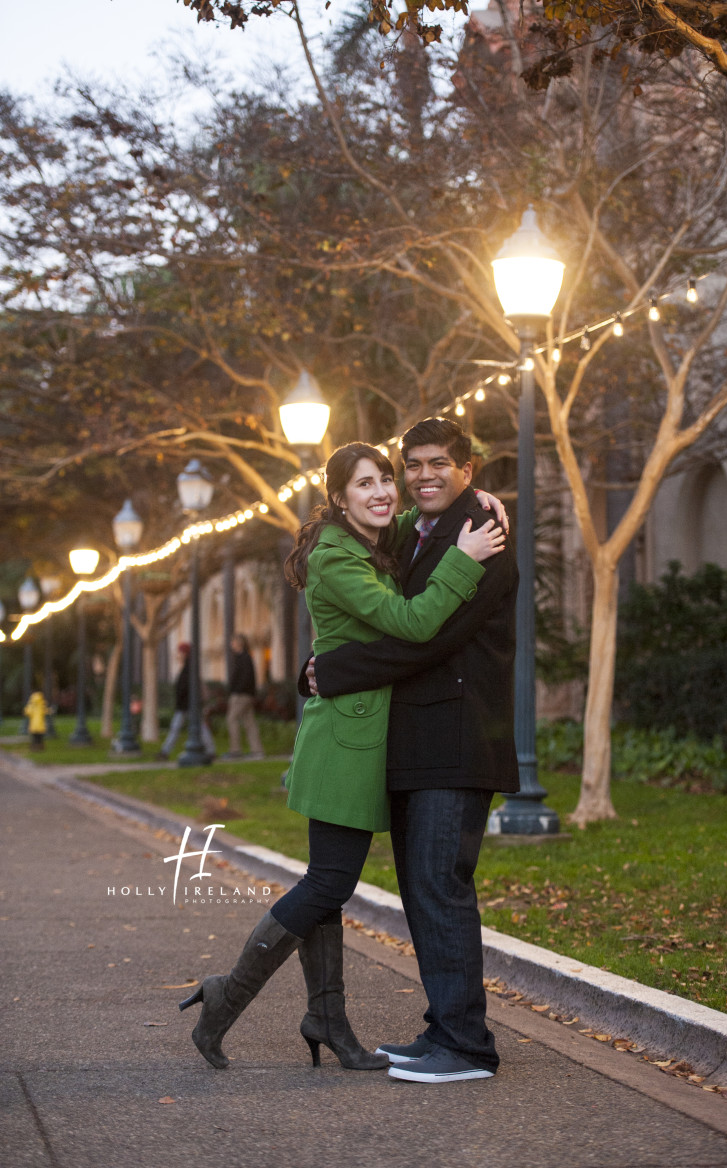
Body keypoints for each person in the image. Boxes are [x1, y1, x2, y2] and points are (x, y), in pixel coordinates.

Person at [179, 442, 506, 1074]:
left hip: (359, 737)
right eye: (366, 484)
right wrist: (464, 560)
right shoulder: (336, 558)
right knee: (329, 881)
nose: (385, 492)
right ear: (339, 498)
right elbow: (411, 623)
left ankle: (326, 1017)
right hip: (344, 743)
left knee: (329, 882)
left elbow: (419, 513)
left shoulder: (370, 539)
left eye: (388, 479)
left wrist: (475, 498)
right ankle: (225, 998)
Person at [305, 418, 519, 1084]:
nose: (423, 475)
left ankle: (467, 1048)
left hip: (457, 740)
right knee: (423, 894)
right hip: (416, 746)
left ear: (468, 469)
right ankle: (445, 1029)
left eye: (439, 464)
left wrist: (333, 670)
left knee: (440, 888)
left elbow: (425, 637)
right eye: (413, 464)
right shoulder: (419, 534)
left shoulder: (482, 536)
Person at [157, 642, 216, 761]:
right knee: (184, 727)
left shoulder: (189, 667)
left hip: (188, 704)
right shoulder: (187, 667)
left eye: (180, 652)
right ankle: (165, 751)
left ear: (185, 653)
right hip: (185, 704)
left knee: (192, 727)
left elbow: (187, 687)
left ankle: (166, 751)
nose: (178, 655)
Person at [223, 634, 263, 759]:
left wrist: (236, 691)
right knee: (249, 722)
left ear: (239, 642)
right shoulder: (242, 658)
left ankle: (236, 750)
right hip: (244, 694)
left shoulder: (244, 658)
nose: (231, 644)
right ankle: (257, 751)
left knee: (231, 719)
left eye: (233, 642)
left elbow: (246, 678)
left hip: (241, 696)